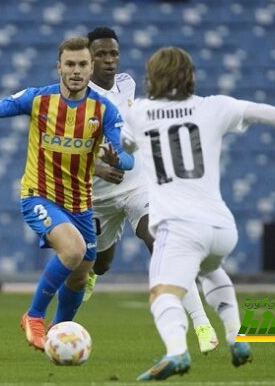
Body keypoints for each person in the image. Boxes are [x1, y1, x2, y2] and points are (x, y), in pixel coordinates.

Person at [123, 47, 275, 380]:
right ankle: (235, 336)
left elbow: (124, 147)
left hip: (178, 227)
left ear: (152, 77)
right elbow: (265, 112)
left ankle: (176, 352)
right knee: (211, 270)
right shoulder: (214, 107)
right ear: (191, 76)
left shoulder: (139, 112)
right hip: (220, 227)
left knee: (162, 293)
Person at [0, 37, 134, 350]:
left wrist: (118, 157)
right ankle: (34, 316)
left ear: (91, 68)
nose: (76, 71)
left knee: (80, 275)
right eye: (70, 64)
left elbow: (126, 157)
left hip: (80, 204)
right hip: (39, 195)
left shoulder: (104, 109)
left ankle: (59, 333)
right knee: (74, 250)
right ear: (59, 67)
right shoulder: (39, 99)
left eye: (82, 64)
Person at [85, 27, 219, 354]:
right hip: (99, 195)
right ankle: (92, 274)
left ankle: (201, 325)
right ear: (87, 60)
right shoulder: (75, 98)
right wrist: (96, 165)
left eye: (113, 53)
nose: (108, 60)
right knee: (101, 263)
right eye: (100, 54)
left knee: (160, 241)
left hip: (138, 185)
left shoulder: (128, 83)